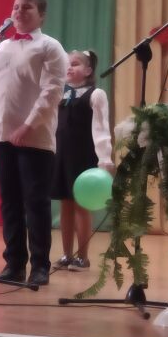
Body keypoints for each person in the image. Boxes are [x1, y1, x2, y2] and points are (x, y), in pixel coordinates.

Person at [0, 0, 68, 287]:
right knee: (9, 203)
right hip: (0, 134)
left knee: (35, 203)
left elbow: (52, 92)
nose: (19, 12)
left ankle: (40, 266)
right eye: (16, 7)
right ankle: (14, 264)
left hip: (34, 137)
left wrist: (27, 125)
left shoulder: (49, 47)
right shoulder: (0, 48)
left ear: (41, 15)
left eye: (27, 8)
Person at [52, 50, 113, 272]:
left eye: (75, 64)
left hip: (84, 156)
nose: (69, 67)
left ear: (88, 70)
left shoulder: (96, 95)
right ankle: (67, 255)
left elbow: (101, 128)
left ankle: (83, 258)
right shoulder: (61, 94)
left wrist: (104, 160)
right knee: (65, 205)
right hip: (62, 156)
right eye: (67, 63)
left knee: (81, 205)